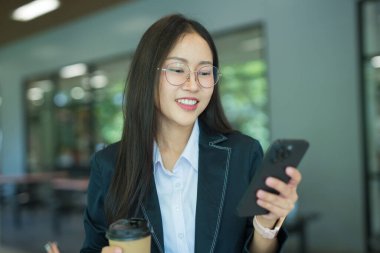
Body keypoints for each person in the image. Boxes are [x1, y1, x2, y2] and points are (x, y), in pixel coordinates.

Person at [49, 13, 302, 253]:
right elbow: (94, 247)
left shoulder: (243, 154)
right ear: (148, 75)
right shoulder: (109, 166)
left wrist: (266, 224)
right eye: (178, 70)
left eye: (204, 72)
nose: (193, 85)